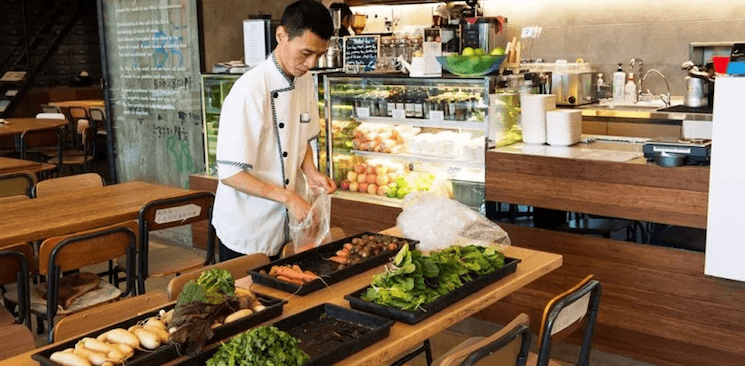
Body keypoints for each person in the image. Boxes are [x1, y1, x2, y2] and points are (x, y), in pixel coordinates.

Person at [213, 0, 336, 261]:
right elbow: (231, 174)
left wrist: (311, 172)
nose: (312, 64)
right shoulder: (249, 90)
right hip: (249, 228)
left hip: (288, 226)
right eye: (305, 53)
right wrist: (290, 199)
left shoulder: (304, 79)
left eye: (319, 55)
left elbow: (302, 137)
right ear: (281, 36)